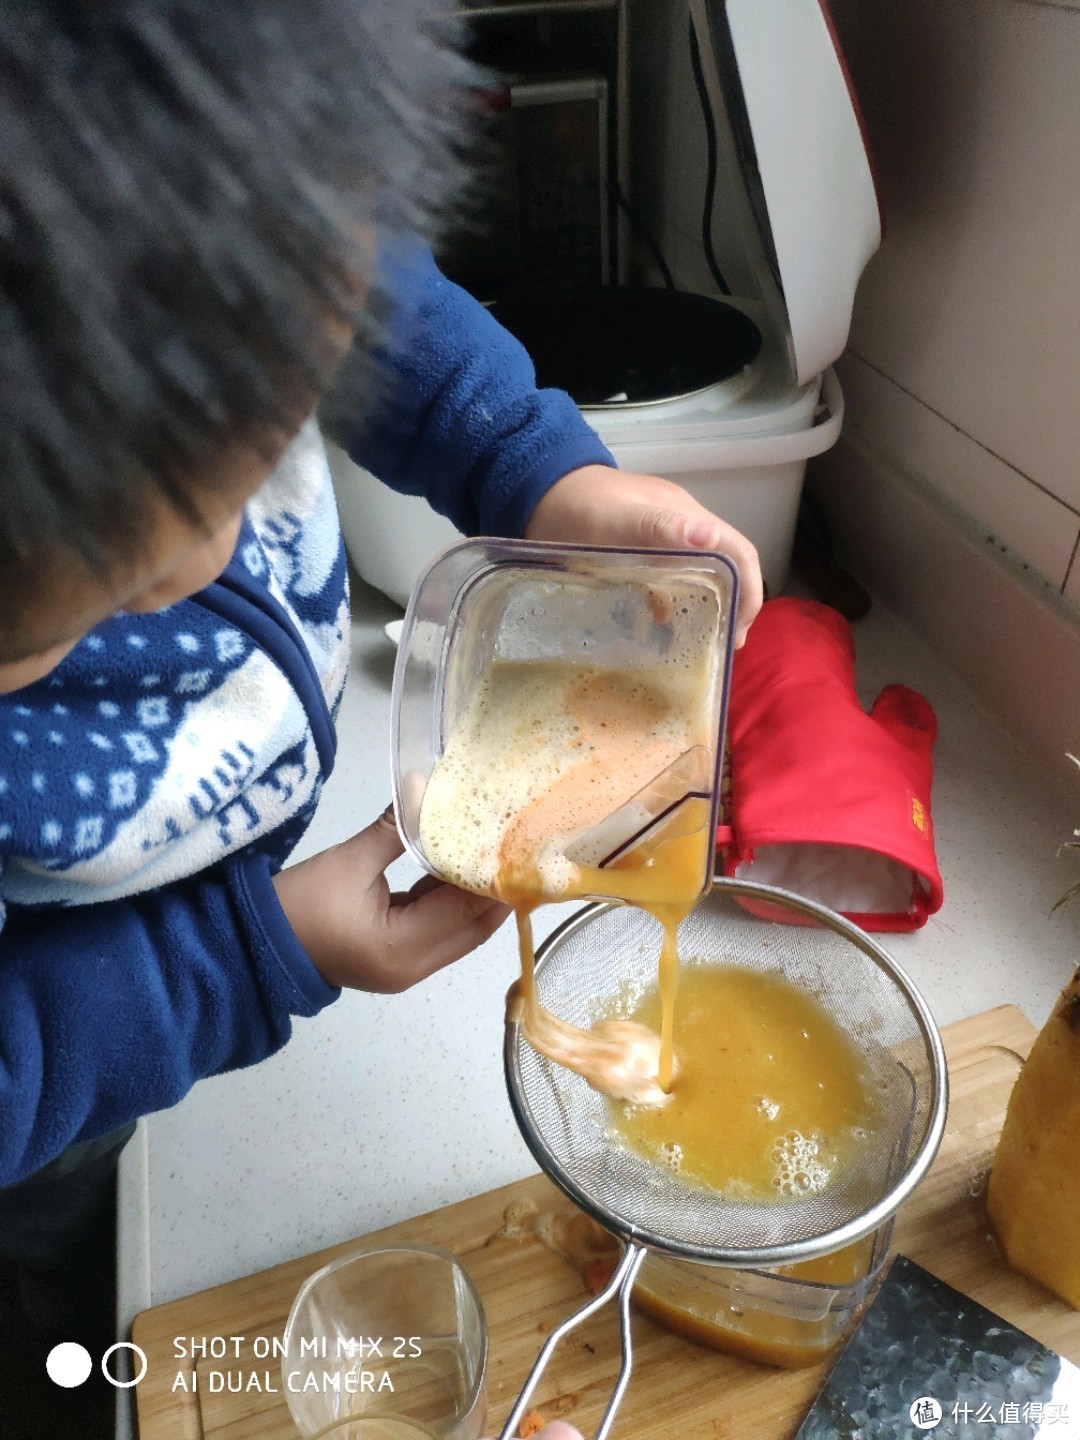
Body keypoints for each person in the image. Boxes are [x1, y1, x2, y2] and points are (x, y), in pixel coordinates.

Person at [0, 0, 762, 1345]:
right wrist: (244, 957)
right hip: (68, 1055)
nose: (201, 563)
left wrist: (539, 471)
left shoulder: (234, 203)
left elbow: (359, 289)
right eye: (94, 591)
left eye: (256, 427)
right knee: (60, 1253)